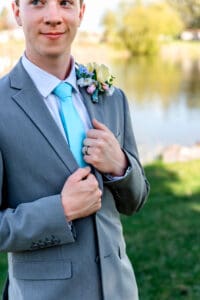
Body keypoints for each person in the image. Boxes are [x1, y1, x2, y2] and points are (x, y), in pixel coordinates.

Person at [0, 0, 150, 299]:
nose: (53, 17)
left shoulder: (111, 97)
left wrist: (120, 166)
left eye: (65, 3)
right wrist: (60, 211)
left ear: (80, 12)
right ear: (16, 12)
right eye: (38, 3)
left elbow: (136, 201)